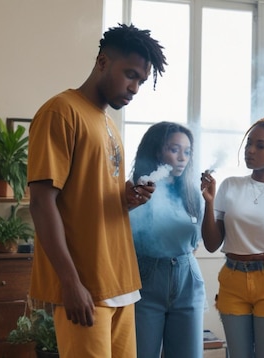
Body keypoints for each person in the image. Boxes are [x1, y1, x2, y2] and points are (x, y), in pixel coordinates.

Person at [27, 24, 167, 358]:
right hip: (85, 285)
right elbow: (40, 202)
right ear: (102, 62)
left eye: (141, 82)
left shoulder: (107, 123)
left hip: (120, 283)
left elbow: (90, 198)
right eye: (130, 74)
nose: (134, 88)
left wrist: (127, 198)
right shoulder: (61, 111)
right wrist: (70, 282)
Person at [200, 115, 264, 358]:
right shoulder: (229, 186)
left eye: (260, 145)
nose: (250, 150)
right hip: (233, 282)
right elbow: (213, 244)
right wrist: (209, 203)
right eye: (248, 143)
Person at [129, 122, 205, 358]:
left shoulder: (193, 194)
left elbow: (195, 245)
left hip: (187, 279)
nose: (182, 158)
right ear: (156, 150)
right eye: (174, 149)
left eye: (187, 151)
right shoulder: (134, 191)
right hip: (145, 279)